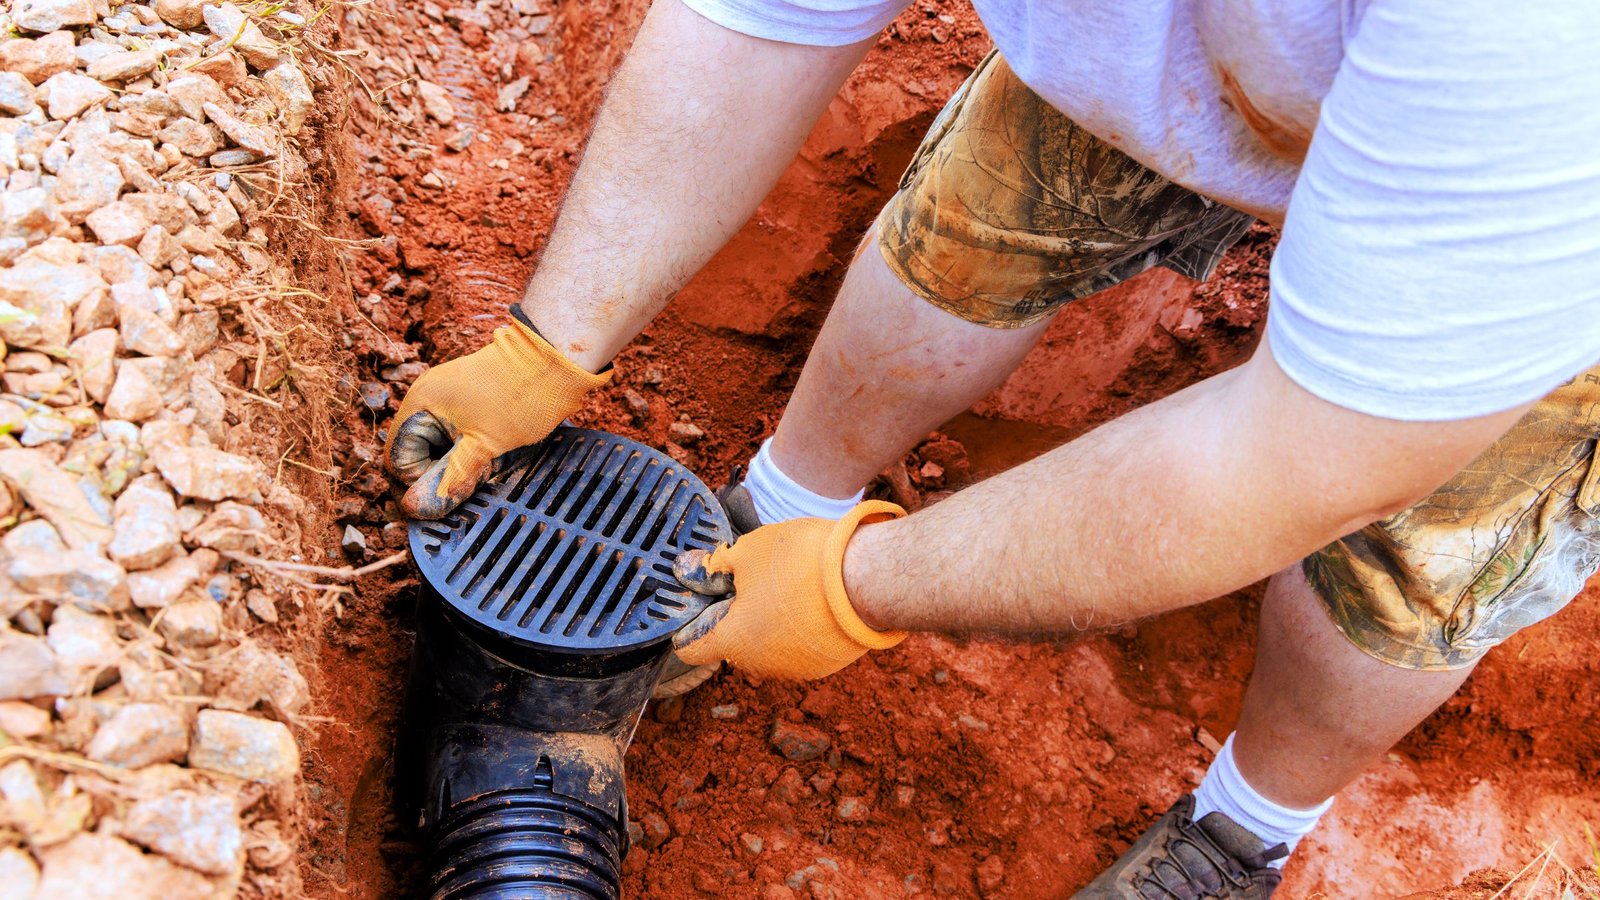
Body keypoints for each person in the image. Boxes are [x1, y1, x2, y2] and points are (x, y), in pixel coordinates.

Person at [383, 0, 1600, 894]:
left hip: (1538, 226)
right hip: (1267, 54)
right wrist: (549, 344)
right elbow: (762, 23)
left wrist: (852, 590)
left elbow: (1303, 462)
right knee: (979, 223)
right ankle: (777, 507)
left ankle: (1240, 831)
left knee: (1423, 546)